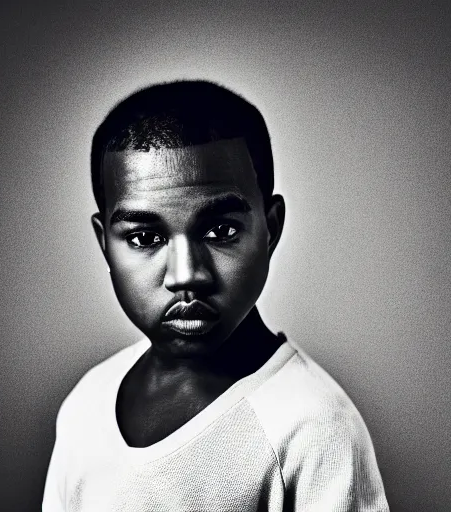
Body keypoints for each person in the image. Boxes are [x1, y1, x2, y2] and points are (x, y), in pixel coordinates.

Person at [42, 80, 389, 511]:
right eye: (145, 237)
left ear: (270, 229)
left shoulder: (315, 428)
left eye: (220, 231)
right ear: (104, 244)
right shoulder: (85, 405)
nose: (186, 276)